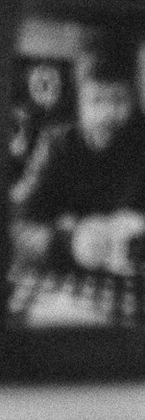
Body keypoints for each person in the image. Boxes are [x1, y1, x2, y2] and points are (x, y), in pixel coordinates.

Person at [8, 26, 145, 332]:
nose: (108, 113)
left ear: (135, 100)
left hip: (131, 289)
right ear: (79, 102)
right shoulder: (56, 145)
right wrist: (68, 243)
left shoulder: (140, 143)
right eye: (96, 100)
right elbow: (14, 228)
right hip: (61, 285)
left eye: (119, 99)